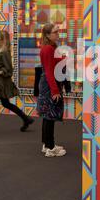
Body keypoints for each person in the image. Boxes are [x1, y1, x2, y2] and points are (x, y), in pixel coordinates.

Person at [37, 23, 67, 157]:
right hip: (50, 85)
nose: (58, 34)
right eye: (55, 32)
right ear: (48, 35)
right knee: (49, 116)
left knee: (47, 117)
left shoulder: (51, 48)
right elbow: (49, 71)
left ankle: (46, 144)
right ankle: (50, 147)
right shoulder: (48, 49)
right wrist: (55, 91)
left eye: (58, 31)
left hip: (49, 84)